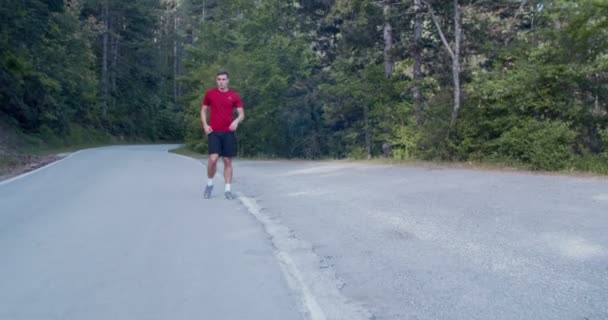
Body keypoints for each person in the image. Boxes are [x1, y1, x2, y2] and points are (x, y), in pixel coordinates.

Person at [200, 71, 245, 200]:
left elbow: (241, 114)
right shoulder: (210, 94)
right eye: (219, 79)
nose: (221, 81)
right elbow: (203, 110)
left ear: (228, 81)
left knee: (227, 161)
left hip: (228, 133)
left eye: (223, 79)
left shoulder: (234, 96)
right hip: (214, 132)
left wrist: (236, 121)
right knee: (213, 159)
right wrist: (204, 124)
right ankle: (209, 184)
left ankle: (227, 190)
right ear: (216, 81)